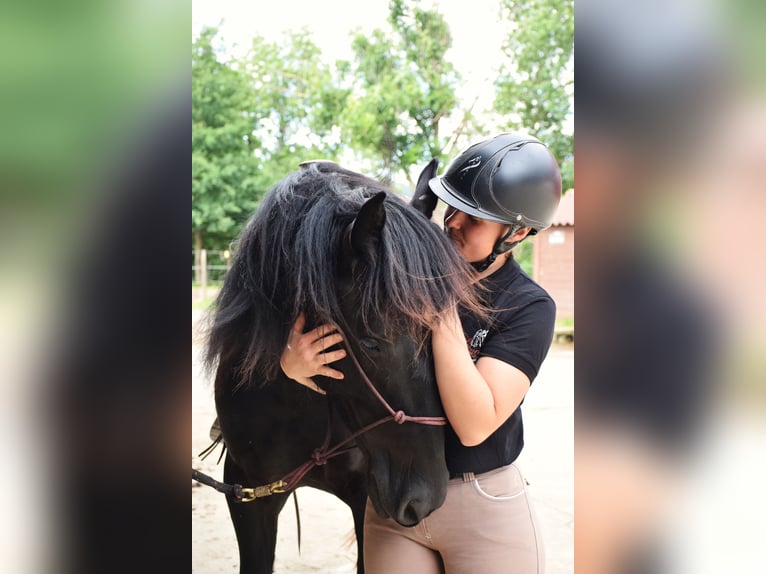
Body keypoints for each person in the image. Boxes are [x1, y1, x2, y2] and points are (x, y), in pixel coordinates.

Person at [280, 133, 562, 573]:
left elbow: (473, 426)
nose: (453, 222)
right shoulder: (401, 270)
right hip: (394, 498)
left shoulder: (529, 307)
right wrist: (292, 367)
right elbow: (363, 366)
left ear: (519, 232)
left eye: (475, 219)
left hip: (481, 502)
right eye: (453, 207)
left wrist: (440, 302)